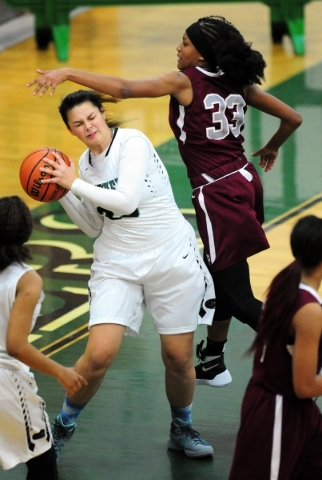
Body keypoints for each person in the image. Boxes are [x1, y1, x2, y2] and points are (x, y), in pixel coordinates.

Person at [27, 15, 302, 389]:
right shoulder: (236, 79)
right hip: (245, 181)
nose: (179, 47)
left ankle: (304, 343)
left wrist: (69, 72)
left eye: (186, 43)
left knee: (238, 297)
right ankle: (213, 359)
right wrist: (271, 148)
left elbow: (124, 88)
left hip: (218, 192)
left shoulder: (185, 81)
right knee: (218, 270)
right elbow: (293, 117)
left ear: (201, 53)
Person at [39, 89, 216, 460]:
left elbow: (126, 200)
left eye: (91, 117)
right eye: (78, 124)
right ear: (70, 131)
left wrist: (72, 183)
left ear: (102, 114)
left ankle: (181, 428)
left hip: (171, 255)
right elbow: (91, 227)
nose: (88, 127)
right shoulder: (85, 166)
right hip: (118, 262)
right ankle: (61, 429)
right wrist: (61, 191)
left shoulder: (132, 142)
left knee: (178, 358)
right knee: (99, 354)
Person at [229, 215, 322, 480]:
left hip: (294, 410)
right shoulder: (309, 310)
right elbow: (304, 386)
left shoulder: (285, 284)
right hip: (278, 412)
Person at [0, 196, 87, 480]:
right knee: (42, 461)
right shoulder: (27, 279)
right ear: (27, 231)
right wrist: (60, 370)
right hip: (6, 383)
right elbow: (15, 345)